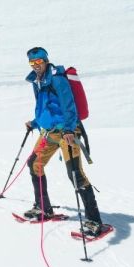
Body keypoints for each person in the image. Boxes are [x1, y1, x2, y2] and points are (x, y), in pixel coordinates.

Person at [22, 46, 108, 236]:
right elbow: (45, 107)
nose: (36, 65)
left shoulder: (58, 80)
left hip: (67, 132)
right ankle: (43, 208)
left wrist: (70, 129)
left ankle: (95, 221)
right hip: (49, 132)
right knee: (34, 164)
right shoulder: (37, 81)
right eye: (32, 62)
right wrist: (35, 122)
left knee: (75, 174)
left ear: (45, 60)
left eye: (38, 61)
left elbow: (69, 106)